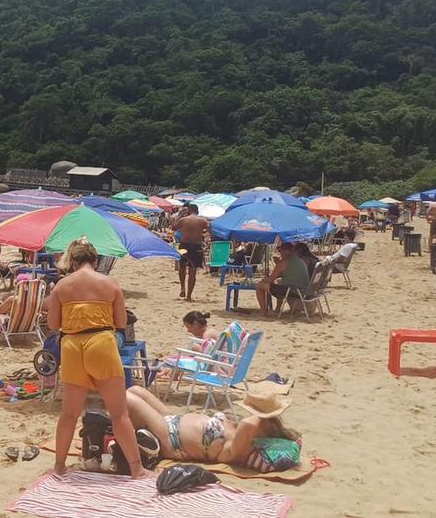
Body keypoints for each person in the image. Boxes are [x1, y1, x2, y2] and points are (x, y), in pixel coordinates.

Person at [47, 238, 150, 479]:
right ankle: (137, 469)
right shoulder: (109, 283)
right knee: (118, 413)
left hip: (72, 345)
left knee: (69, 413)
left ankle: (60, 466)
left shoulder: (61, 286)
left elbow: (53, 324)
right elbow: (122, 322)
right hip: (101, 343)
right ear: (95, 260)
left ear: (72, 261)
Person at [121, 385, 297, 466]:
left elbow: (247, 423)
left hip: (170, 438)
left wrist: (263, 416)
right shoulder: (240, 430)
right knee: (135, 390)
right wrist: (266, 416)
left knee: (127, 399)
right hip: (171, 419)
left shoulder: (237, 448)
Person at [254, 242, 310, 316]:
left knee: (259, 285)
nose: (280, 253)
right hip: (303, 289)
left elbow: (270, 280)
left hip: (292, 291)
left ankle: (263, 311)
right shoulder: (300, 260)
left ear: (286, 251)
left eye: (280, 251)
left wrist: (262, 280)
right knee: (279, 282)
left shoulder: (284, 262)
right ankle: (277, 309)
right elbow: (285, 274)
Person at [172, 204, 209, 302]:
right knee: (192, 272)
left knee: (182, 267)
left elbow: (174, 228)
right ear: (197, 211)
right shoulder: (203, 220)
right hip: (196, 246)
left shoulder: (184, 220)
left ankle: (182, 288)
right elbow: (210, 231)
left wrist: (179, 216)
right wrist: (202, 231)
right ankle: (189, 296)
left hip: (184, 245)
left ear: (188, 210)